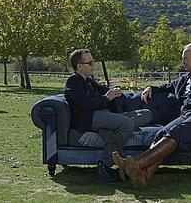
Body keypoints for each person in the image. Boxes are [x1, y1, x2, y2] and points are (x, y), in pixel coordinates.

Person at [112, 43, 191, 189]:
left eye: (185, 58)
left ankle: (136, 164)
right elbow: (167, 86)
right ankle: (144, 175)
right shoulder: (186, 78)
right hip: (186, 114)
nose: (183, 62)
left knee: (176, 132)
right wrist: (151, 88)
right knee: (161, 133)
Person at [64, 49, 152, 182]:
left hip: (103, 115)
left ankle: (111, 131)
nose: (93, 65)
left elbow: (103, 90)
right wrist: (106, 98)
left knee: (147, 114)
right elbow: (85, 104)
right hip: (90, 118)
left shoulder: (88, 80)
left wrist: (114, 90)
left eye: (93, 62)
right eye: (90, 63)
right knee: (127, 123)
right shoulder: (73, 81)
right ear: (79, 66)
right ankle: (104, 164)